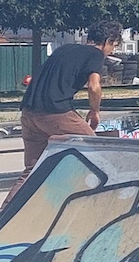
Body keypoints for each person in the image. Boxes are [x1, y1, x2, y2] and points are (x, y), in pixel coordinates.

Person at [15, 20, 122, 185]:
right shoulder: (95, 54)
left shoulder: (63, 49)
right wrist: (95, 111)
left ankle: (7, 211)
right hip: (57, 113)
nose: (111, 51)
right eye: (113, 45)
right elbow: (94, 87)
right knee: (98, 152)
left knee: (32, 171)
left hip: (29, 113)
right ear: (107, 41)